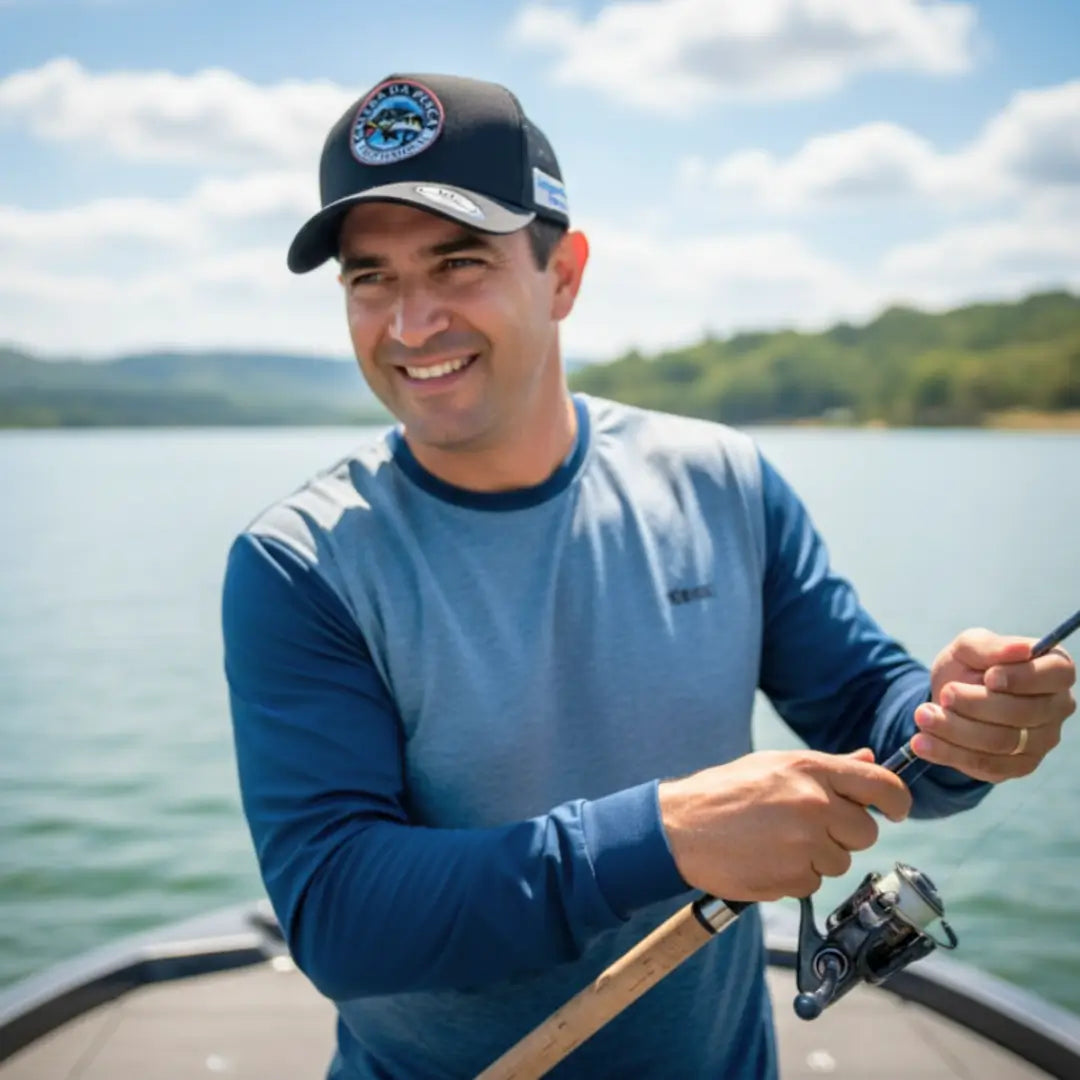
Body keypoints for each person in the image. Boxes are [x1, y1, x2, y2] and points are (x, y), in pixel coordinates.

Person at [221, 72, 1076, 1079]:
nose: (411, 325)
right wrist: (665, 838)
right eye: (372, 279)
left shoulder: (723, 480)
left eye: (458, 265)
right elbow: (341, 915)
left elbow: (870, 715)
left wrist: (963, 727)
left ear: (564, 275)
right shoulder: (298, 562)